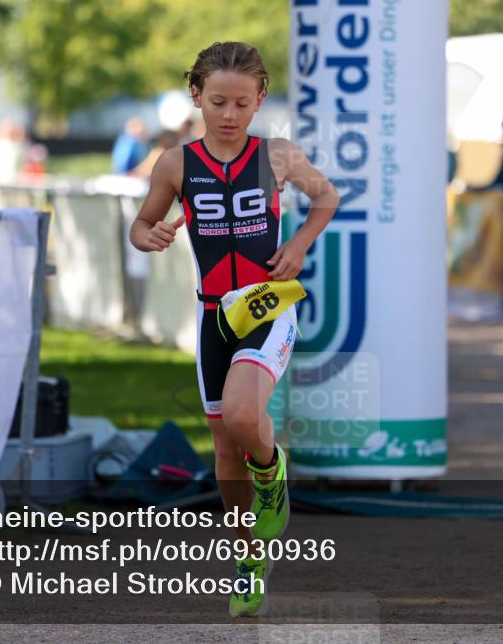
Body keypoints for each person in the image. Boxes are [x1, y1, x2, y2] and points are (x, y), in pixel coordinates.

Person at [129, 41, 339, 617]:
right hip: (212, 314)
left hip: (267, 305)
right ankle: (249, 563)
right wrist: (146, 235)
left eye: (242, 103)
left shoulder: (277, 154)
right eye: (217, 101)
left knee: (246, 418)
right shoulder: (175, 162)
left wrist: (298, 244)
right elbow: (143, 223)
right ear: (195, 95)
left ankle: (271, 471)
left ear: (260, 99)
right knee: (224, 446)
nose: (229, 114)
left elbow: (326, 196)